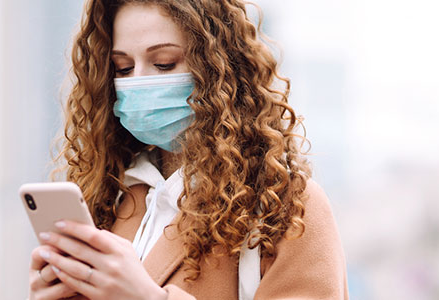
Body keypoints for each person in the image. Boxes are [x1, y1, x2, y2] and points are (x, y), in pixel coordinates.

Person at [25, 0, 348, 299]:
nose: (138, 82)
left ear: (219, 68)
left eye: (164, 64)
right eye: (122, 68)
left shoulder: (285, 205)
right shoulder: (110, 197)